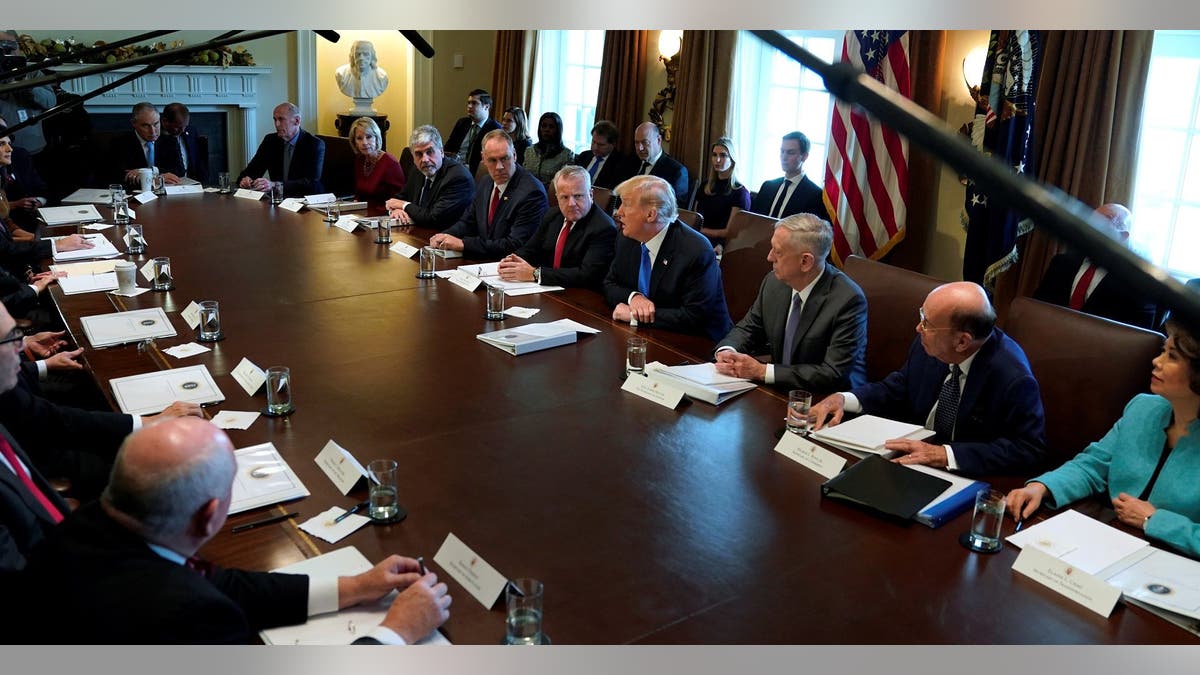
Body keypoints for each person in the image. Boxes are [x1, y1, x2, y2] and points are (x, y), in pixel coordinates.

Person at [20, 417, 452, 644]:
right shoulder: (188, 615)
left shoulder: (86, 525)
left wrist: (356, 586)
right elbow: (202, 597)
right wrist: (397, 631)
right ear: (210, 516)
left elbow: (216, 582)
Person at [1007, 319, 1200, 557]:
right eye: (1163, 351)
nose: (1156, 362)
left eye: (1172, 356)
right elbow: (1093, 465)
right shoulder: (1143, 408)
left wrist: (1156, 520)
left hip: (1175, 567)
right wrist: (1041, 487)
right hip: (1108, 542)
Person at [810, 282, 1046, 475]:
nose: (917, 328)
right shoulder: (932, 344)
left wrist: (945, 454)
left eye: (927, 323)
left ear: (962, 341)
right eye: (922, 316)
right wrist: (844, 398)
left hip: (962, 476)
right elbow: (900, 385)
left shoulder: (1013, 378)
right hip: (909, 462)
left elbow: (1027, 450)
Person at [714, 213, 867, 394]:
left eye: (778, 252)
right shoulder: (774, 281)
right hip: (780, 389)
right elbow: (749, 328)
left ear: (805, 261)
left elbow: (831, 374)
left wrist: (762, 371)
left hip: (827, 400)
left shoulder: (847, 300)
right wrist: (728, 351)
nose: (769, 257)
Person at [603, 175, 732, 342]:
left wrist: (635, 316)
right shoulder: (627, 238)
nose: (618, 212)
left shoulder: (696, 251)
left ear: (651, 215)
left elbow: (693, 317)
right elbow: (609, 284)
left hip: (698, 344)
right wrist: (634, 297)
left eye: (626, 205)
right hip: (650, 336)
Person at [1033, 203, 1157, 329]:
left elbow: (1138, 338)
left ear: (1123, 237)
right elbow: (1036, 308)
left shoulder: (1139, 283)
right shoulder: (1061, 263)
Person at [430, 130, 548, 260]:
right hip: (483, 260)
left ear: (514, 155)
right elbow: (468, 221)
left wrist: (463, 244)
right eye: (492, 160)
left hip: (510, 267)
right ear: (483, 159)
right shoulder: (486, 182)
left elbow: (514, 245)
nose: (499, 167)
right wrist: (444, 236)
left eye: (504, 158)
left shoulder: (532, 193)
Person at [499, 165, 617, 290]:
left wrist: (536, 274)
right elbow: (531, 249)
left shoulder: (604, 228)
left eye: (578, 196)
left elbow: (586, 275)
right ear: (557, 197)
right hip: (547, 289)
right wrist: (511, 262)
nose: (571, 204)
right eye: (565, 197)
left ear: (591, 194)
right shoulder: (553, 215)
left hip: (577, 296)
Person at [385, 125, 473, 229]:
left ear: (441, 152)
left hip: (445, 237)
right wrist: (396, 210)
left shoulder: (458, 177)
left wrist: (404, 206)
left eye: (429, 152)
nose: (425, 159)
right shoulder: (417, 170)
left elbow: (433, 218)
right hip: (417, 233)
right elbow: (399, 199)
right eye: (418, 154)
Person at [238, 102, 326, 197]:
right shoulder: (270, 141)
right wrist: (246, 179)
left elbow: (311, 182)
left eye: (281, 119)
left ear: (297, 121)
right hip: (278, 199)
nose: (277, 124)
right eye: (275, 119)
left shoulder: (314, 144)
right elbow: (250, 171)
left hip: (307, 201)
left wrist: (275, 185)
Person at [0, 31, 55, 158]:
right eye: (2, 47)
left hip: (34, 148)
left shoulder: (32, 72)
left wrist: (27, 84)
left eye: (12, 46)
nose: (9, 51)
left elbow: (51, 101)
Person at [750, 131, 827, 220]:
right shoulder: (767, 186)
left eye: (790, 152)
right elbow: (753, 220)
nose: (784, 157)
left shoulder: (815, 195)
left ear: (804, 156)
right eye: (782, 151)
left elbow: (809, 231)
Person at [694, 137, 751, 247]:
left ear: (732, 159)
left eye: (723, 155)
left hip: (721, 244)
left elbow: (730, 232)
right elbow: (695, 218)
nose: (717, 160)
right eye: (714, 155)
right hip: (698, 238)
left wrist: (700, 230)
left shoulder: (740, 192)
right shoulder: (705, 186)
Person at [110, 102, 183, 188]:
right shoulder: (120, 143)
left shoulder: (170, 141)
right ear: (134, 123)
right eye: (145, 126)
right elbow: (118, 176)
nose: (153, 131)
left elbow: (180, 170)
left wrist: (151, 172)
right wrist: (151, 180)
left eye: (156, 124)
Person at [0, 117, 50, 232]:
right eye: (2, 143)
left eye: (8, 142)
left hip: (29, 222)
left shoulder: (20, 155)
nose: (9, 149)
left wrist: (37, 201)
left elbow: (42, 188)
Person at [348, 117, 405, 206]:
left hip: (383, 215)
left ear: (376, 138)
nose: (365, 142)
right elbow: (358, 194)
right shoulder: (360, 160)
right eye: (359, 138)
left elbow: (398, 200)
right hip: (362, 213)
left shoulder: (390, 164)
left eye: (369, 137)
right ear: (354, 142)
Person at [443, 89, 501, 175]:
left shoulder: (494, 128)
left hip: (477, 174)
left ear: (486, 107)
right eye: (468, 103)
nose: (469, 106)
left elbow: (492, 158)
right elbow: (449, 148)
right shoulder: (462, 123)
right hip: (454, 169)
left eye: (474, 103)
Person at [632, 122, 689, 205]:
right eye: (636, 143)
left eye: (645, 142)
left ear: (659, 140)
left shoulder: (676, 171)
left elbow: (675, 210)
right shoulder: (630, 163)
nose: (639, 148)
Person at [572, 120, 635, 190]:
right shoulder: (584, 156)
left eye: (601, 145)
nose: (595, 147)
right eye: (593, 142)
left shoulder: (622, 164)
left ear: (613, 144)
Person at [157, 102, 209, 184]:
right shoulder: (156, 137)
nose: (183, 130)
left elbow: (198, 161)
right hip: (168, 184)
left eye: (185, 126)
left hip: (191, 183)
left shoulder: (191, 131)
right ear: (165, 121)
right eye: (177, 127)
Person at [523, 111, 575, 189]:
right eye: (544, 126)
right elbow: (524, 176)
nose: (547, 129)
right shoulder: (529, 151)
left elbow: (563, 184)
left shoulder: (567, 155)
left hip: (551, 196)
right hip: (528, 193)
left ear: (558, 130)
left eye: (551, 127)